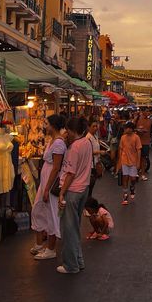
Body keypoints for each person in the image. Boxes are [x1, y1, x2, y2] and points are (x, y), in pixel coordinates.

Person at [57, 116, 92, 275]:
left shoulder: (75, 148)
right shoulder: (86, 142)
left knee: (69, 229)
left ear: (72, 130)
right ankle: (79, 260)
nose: (66, 133)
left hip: (73, 191)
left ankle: (71, 265)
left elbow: (70, 173)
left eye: (67, 130)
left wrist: (62, 192)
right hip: (83, 189)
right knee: (75, 227)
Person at [30, 114, 66, 260]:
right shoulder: (52, 141)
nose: (45, 126)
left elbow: (56, 167)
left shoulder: (58, 143)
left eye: (47, 123)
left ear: (53, 125)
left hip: (51, 183)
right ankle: (40, 243)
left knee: (51, 213)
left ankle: (51, 249)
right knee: (38, 209)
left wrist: (47, 188)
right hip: (45, 181)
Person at [116, 122, 142, 205]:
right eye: (125, 128)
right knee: (125, 178)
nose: (125, 130)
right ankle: (125, 196)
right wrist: (119, 161)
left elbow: (138, 150)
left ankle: (132, 188)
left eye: (127, 128)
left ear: (131, 129)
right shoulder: (123, 137)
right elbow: (120, 149)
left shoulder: (136, 137)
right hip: (124, 161)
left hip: (133, 161)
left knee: (133, 179)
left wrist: (138, 162)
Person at [134, 108, 152, 180]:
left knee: (144, 158)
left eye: (149, 111)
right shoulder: (138, 119)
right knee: (136, 158)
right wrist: (138, 130)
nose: (148, 113)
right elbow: (132, 128)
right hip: (137, 141)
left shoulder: (150, 120)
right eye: (147, 111)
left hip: (146, 142)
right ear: (143, 112)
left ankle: (142, 174)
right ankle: (135, 172)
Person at [85, 117, 102, 199]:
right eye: (93, 126)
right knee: (90, 185)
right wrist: (100, 152)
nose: (95, 128)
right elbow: (88, 152)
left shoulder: (95, 136)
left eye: (96, 126)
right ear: (89, 127)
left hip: (95, 162)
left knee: (92, 185)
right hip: (90, 165)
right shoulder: (88, 138)